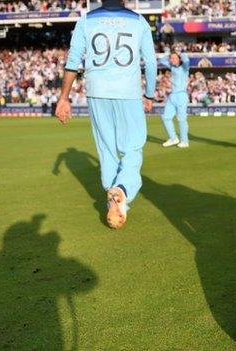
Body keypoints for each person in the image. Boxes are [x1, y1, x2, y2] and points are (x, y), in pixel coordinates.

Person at [55, 0, 157, 229]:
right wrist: (149, 95)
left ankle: (115, 202)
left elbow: (73, 62)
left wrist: (63, 98)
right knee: (132, 147)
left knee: (107, 149)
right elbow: (151, 62)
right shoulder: (139, 21)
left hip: (97, 90)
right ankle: (122, 190)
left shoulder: (86, 20)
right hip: (128, 92)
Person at [159, 50, 190, 148]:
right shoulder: (172, 67)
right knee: (166, 117)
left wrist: (180, 53)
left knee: (181, 119)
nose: (171, 60)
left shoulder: (184, 68)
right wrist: (169, 54)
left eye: (173, 58)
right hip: (172, 95)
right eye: (171, 58)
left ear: (178, 59)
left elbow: (186, 60)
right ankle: (173, 138)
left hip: (181, 95)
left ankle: (184, 141)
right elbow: (161, 60)